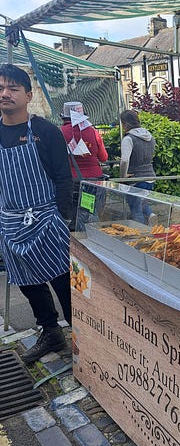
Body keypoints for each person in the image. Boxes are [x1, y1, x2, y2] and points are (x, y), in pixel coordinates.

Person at [0, 64, 72, 362]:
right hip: (11, 222)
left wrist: (61, 218)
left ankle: (84, 336)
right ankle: (51, 332)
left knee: (64, 282)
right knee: (30, 284)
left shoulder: (45, 131)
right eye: (1, 87)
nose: (5, 93)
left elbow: (64, 177)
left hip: (46, 220)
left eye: (13, 88)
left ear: (28, 95)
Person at [60, 101, 108, 230]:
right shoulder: (93, 132)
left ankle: (73, 240)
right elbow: (104, 157)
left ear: (64, 117)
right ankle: (89, 237)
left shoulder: (59, 132)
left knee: (70, 214)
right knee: (88, 212)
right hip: (93, 181)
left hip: (70, 182)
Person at [120, 109, 156, 224]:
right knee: (142, 202)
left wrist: (123, 176)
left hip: (135, 178)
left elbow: (125, 160)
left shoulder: (128, 139)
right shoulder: (150, 137)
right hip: (150, 177)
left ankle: (138, 234)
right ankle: (151, 215)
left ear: (125, 124)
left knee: (135, 209)